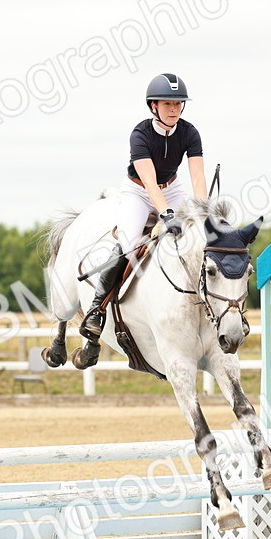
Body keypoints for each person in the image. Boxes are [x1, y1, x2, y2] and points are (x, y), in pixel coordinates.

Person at [80, 72, 208, 341]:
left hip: (172, 188)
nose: (174, 109)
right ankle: (97, 309)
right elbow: (149, 182)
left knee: (197, 238)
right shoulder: (140, 134)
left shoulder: (189, 132)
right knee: (129, 243)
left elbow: (197, 177)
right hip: (138, 191)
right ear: (154, 106)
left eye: (177, 104)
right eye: (167, 104)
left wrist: (203, 212)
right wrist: (168, 215)